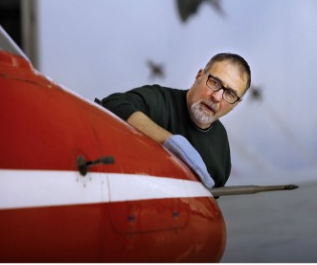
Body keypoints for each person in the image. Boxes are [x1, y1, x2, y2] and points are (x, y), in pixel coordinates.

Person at [101, 53, 251, 188]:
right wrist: (169, 141)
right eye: (215, 82)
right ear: (199, 76)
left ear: (235, 105)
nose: (217, 97)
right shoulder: (159, 100)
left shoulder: (221, 149)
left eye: (230, 94)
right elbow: (113, 103)